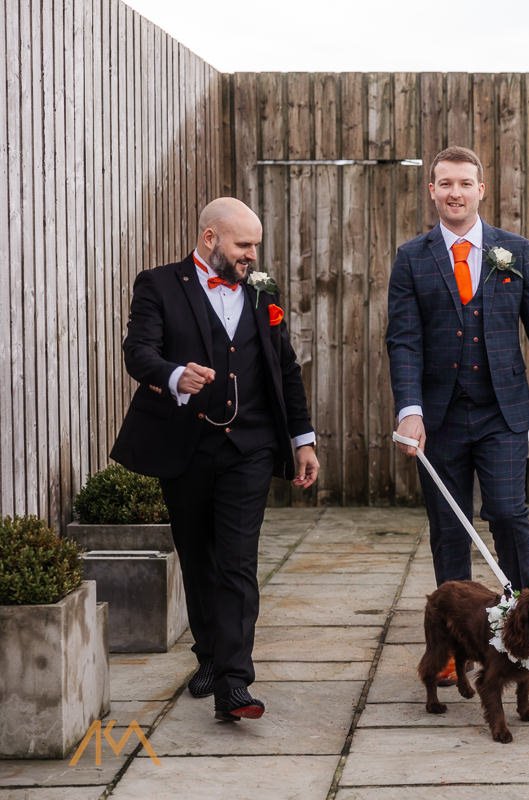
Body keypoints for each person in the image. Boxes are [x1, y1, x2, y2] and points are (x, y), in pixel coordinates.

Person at [110, 197, 319, 722]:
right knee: (198, 557)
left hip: (250, 447)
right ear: (210, 239)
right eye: (243, 245)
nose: (252, 256)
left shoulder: (262, 293)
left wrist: (303, 440)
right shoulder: (158, 285)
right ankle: (207, 656)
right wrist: (176, 375)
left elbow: (285, 370)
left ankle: (234, 682)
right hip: (186, 445)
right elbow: (139, 351)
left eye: (255, 247)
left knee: (237, 561)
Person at [386, 146, 529, 685]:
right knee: (448, 526)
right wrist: (410, 410)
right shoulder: (412, 257)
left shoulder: (513, 251)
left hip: (502, 412)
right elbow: (403, 340)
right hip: (439, 417)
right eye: (444, 184)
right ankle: (450, 645)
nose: (454, 193)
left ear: (481, 190)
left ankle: (525, 631)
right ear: (432, 191)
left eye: (464, 184)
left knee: (509, 514)